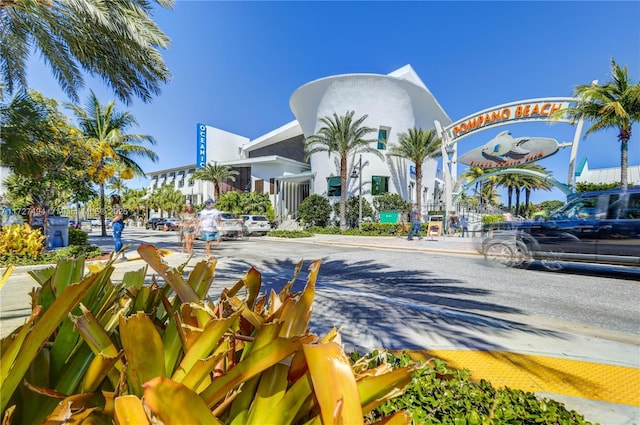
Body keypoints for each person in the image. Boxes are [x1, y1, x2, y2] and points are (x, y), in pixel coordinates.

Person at [109, 194, 127, 261]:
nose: (110, 200)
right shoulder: (120, 206)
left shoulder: (116, 206)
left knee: (117, 240)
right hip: (120, 223)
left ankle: (118, 255)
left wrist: (112, 221)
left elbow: (119, 216)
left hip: (117, 224)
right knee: (118, 239)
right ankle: (121, 255)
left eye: (111, 199)